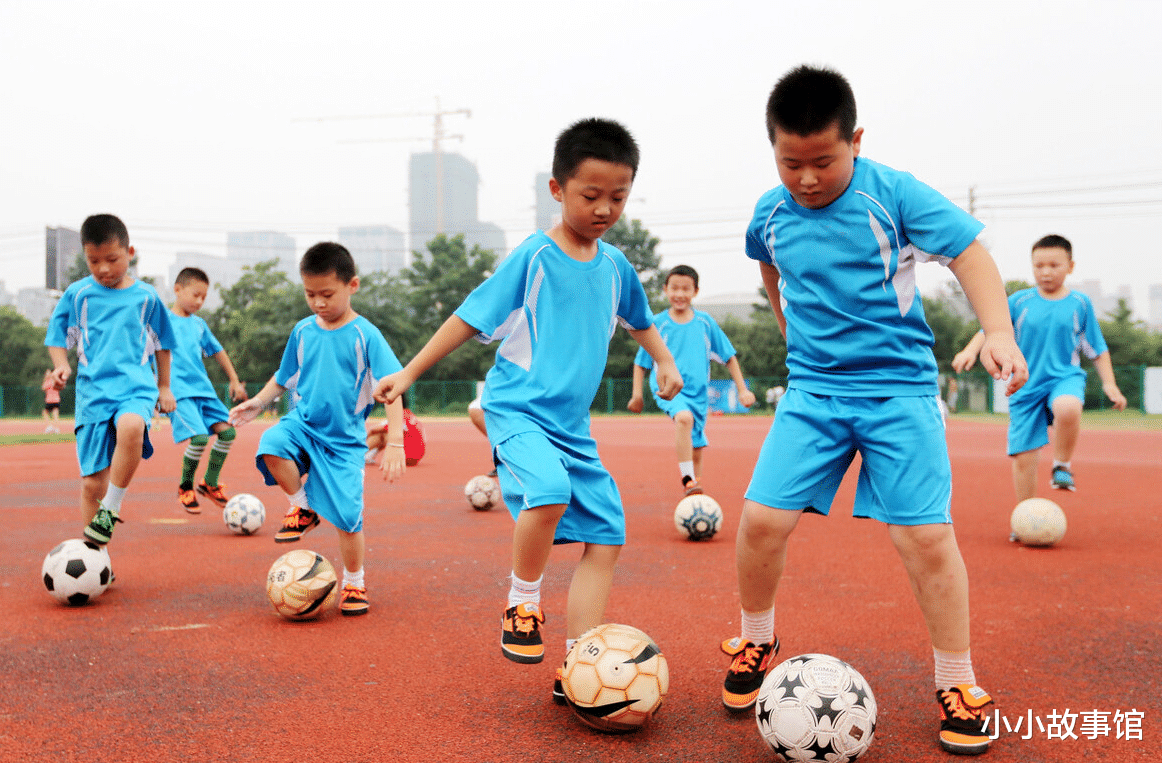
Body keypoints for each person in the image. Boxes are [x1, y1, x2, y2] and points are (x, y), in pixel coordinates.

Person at [724, 66, 1028, 756]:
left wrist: (1000, 331)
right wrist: (782, 317)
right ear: (773, 149)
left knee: (923, 539)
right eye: (790, 162)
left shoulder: (891, 192)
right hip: (813, 394)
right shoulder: (768, 213)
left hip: (899, 393)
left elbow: (969, 253)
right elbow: (768, 264)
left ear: (855, 141)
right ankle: (755, 637)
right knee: (761, 520)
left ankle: (957, 680)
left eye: (823, 161)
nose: (806, 178)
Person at [372, 118, 682, 700]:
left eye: (618, 197)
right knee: (547, 491)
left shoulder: (616, 267)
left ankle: (579, 665)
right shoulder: (535, 256)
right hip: (515, 410)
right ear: (558, 190)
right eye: (591, 196)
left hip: (572, 427)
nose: (604, 209)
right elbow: (470, 315)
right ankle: (522, 603)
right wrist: (410, 371)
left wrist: (664, 362)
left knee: (609, 535)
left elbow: (640, 320)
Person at [228, 242, 406, 617]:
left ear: (352, 285)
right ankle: (302, 507)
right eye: (310, 294)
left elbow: (392, 388)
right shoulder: (303, 331)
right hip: (303, 424)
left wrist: (395, 441)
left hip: (344, 441)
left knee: (348, 519)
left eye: (327, 294)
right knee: (271, 443)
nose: (318, 303)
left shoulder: (366, 335)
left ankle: (354, 582)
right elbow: (283, 378)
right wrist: (257, 403)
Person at [952, 234, 1126, 504]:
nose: (1045, 272)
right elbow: (990, 329)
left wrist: (1110, 384)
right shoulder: (1019, 301)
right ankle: (1026, 514)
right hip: (1024, 385)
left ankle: (1062, 465)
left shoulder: (1080, 304)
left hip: (1064, 377)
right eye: (1039, 265)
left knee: (1068, 407)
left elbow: (1097, 350)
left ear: (1070, 266)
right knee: (1024, 458)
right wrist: (970, 350)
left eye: (1054, 265)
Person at [44, 214, 177, 546]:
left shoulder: (147, 297)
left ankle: (112, 507)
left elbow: (163, 344)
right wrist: (61, 366)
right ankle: (95, 554)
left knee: (132, 426)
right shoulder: (78, 294)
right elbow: (57, 337)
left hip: (135, 387)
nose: (103, 269)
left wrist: (164, 386)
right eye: (93, 261)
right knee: (92, 485)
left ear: (129, 252)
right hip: (93, 394)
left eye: (112, 259)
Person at [627, 264, 756, 496]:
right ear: (665, 289)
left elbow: (729, 357)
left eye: (686, 289)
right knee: (683, 419)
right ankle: (687, 479)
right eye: (674, 288)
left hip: (698, 394)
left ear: (695, 291)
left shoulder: (705, 322)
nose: (679, 294)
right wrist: (637, 395)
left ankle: (694, 491)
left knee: (696, 449)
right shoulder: (656, 323)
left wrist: (742, 390)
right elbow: (641, 362)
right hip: (668, 389)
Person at [166, 267, 248, 513]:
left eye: (204, 297)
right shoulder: (163, 322)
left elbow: (218, 351)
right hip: (178, 392)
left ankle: (209, 483)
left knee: (227, 433)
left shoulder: (199, 325)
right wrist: (158, 390)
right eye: (195, 295)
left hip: (204, 391)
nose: (200, 301)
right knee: (200, 438)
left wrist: (234, 379)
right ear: (178, 290)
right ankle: (185, 486)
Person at [41, 369, 62, 433]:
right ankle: (54, 428)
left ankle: (52, 427)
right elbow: (43, 388)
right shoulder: (52, 380)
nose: (47, 375)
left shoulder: (51, 380)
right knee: (51, 414)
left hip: (52, 400)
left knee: (50, 414)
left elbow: (44, 388)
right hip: (52, 400)